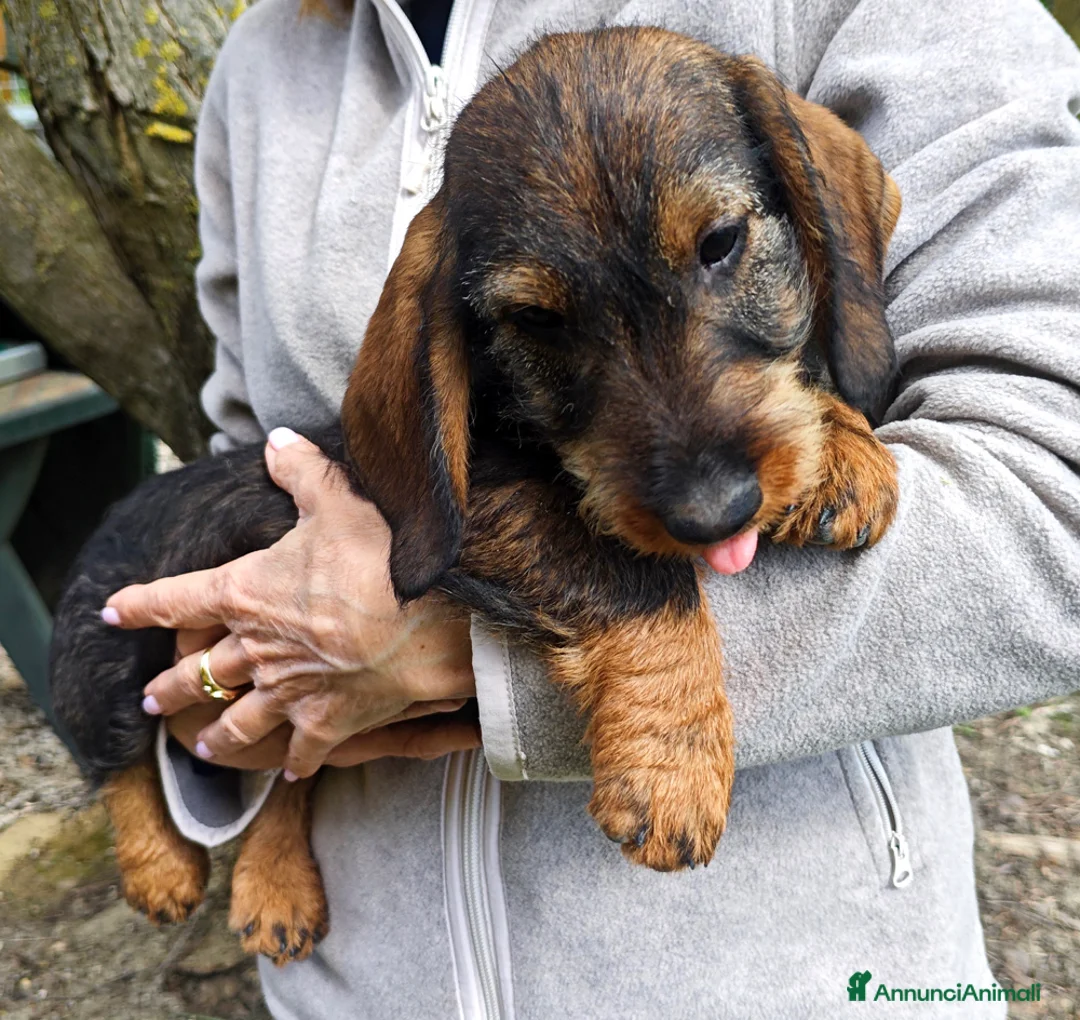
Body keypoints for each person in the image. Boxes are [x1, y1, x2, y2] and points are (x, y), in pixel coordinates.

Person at [102, 0, 1080, 1016]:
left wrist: (468, 661)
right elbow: (256, 468)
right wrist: (229, 722)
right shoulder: (266, 61)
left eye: (721, 246)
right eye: (537, 317)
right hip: (359, 983)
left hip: (789, 982)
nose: (703, 499)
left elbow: (1060, 503)